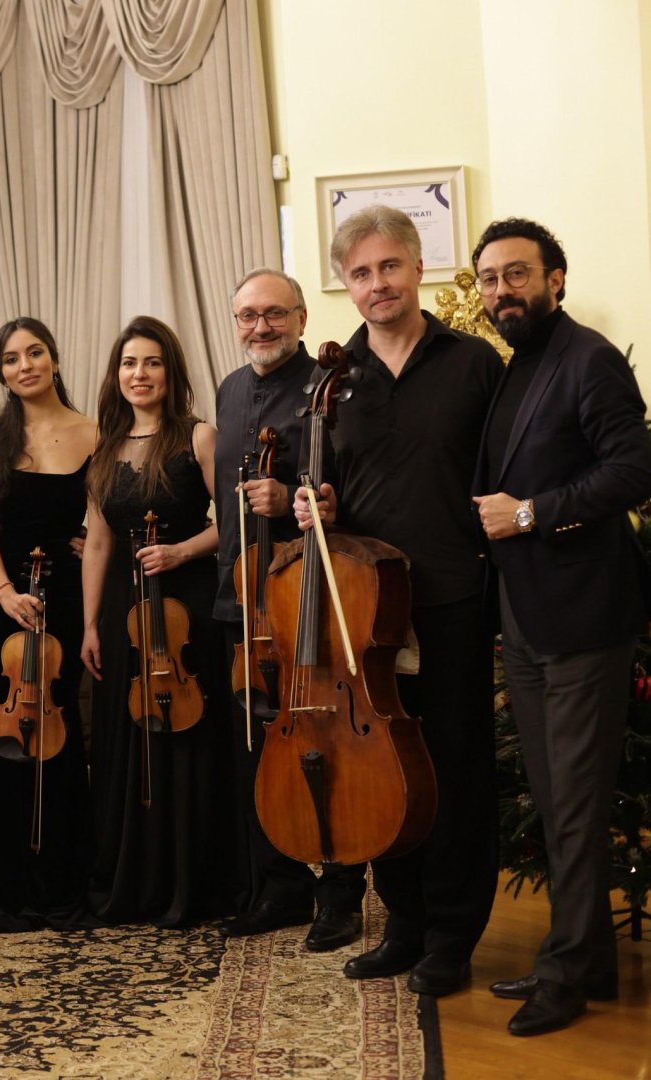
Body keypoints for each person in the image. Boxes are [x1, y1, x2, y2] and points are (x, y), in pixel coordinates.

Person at [295, 206, 503, 997]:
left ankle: (452, 934)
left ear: (418, 267)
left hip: (452, 597)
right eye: (360, 273)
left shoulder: (473, 362)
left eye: (389, 266)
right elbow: (328, 492)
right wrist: (315, 503)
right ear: (346, 286)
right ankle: (403, 926)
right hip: (367, 607)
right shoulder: (334, 378)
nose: (377, 283)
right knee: (382, 769)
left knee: (455, 767)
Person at [469, 218, 651, 1035]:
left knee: (573, 805)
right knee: (554, 801)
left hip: (583, 617)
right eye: (488, 278)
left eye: (517, 273)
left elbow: (635, 468)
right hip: (528, 616)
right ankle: (591, 960)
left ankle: (566, 973)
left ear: (556, 279)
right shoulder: (520, 365)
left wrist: (534, 512)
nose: (500, 290)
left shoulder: (589, 357)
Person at [212, 270, 365, 950]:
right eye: (248, 315)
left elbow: (354, 486)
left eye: (274, 314)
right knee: (256, 748)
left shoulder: (331, 388)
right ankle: (279, 887)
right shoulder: (229, 390)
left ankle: (341, 893)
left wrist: (292, 499)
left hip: (308, 598)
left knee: (326, 747)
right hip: (242, 599)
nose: (260, 327)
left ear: (301, 318)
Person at [73, 315, 227, 928]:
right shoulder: (105, 448)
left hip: (188, 613)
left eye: (153, 362)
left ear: (171, 372)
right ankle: (135, 881)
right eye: (130, 363)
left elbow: (234, 526)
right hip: (123, 614)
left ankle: (193, 880)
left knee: (187, 740)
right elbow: (99, 542)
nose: (140, 374)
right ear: (117, 375)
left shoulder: (199, 437)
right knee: (128, 741)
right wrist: (89, 625)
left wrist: (182, 551)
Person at [0, 316, 95, 933]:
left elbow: (107, 515)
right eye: (11, 359)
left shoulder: (95, 432)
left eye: (34, 352)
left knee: (62, 737)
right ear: (1, 372)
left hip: (65, 598)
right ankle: (10, 889)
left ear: (54, 358)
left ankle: (64, 885)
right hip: (0, 603)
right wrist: (4, 593)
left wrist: (92, 541)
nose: (25, 366)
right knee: (7, 739)